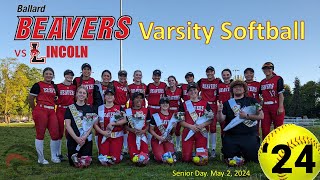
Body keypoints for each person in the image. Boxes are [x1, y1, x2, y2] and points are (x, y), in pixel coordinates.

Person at [217, 80, 264, 164]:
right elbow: (221, 120)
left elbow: (261, 116)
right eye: (235, 87)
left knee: (253, 159)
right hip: (232, 136)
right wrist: (219, 111)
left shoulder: (252, 101)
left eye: (240, 86)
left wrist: (246, 116)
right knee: (230, 159)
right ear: (232, 90)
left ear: (244, 89)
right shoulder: (227, 103)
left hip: (249, 135)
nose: (238, 88)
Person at [28, 67, 60, 164]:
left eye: (51, 74)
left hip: (51, 110)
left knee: (55, 134)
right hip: (41, 109)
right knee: (40, 134)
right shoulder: (38, 85)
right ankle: (41, 158)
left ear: (53, 75)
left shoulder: (54, 86)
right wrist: (35, 110)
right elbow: (30, 98)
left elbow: (55, 98)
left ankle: (54, 156)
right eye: (47, 73)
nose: (48, 75)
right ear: (43, 75)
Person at [73, 63, 103, 153]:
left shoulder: (93, 80)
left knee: (90, 129)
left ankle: (91, 150)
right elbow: (74, 93)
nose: (86, 71)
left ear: (91, 71)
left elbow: (96, 95)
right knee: (79, 128)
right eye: (85, 69)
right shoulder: (77, 80)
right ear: (82, 70)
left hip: (90, 108)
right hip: (79, 107)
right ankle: (75, 150)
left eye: (88, 69)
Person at [179, 83, 213, 163]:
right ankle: (191, 153)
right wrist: (191, 126)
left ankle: (198, 152)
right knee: (186, 159)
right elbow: (180, 121)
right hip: (188, 131)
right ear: (187, 93)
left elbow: (211, 119)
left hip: (201, 131)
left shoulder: (205, 103)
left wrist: (202, 125)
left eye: (194, 89)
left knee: (202, 160)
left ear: (198, 91)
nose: (192, 92)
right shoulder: (183, 104)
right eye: (190, 90)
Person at [94, 89, 127, 164]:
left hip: (116, 137)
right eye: (107, 95)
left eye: (111, 95)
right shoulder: (99, 108)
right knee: (103, 159)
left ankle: (119, 154)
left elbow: (125, 120)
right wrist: (102, 132)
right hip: (103, 136)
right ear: (104, 97)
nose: (109, 96)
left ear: (114, 97)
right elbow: (95, 124)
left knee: (115, 160)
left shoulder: (118, 108)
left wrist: (113, 123)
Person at [65, 86, 95, 167]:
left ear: (86, 96)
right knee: (74, 164)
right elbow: (67, 125)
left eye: (84, 93)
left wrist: (85, 137)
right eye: (80, 92)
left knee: (86, 163)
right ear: (76, 94)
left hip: (85, 140)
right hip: (73, 139)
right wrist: (76, 138)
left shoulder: (89, 108)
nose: (82, 94)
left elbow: (90, 125)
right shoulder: (70, 108)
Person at [197, 66, 220, 158]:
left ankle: (213, 149)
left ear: (214, 72)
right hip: (204, 105)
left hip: (214, 104)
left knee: (213, 128)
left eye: (211, 72)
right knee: (204, 127)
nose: (209, 73)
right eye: (208, 72)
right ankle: (205, 148)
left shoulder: (218, 81)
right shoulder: (201, 81)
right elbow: (194, 87)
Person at [260, 62, 285, 139]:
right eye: (265, 68)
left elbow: (281, 94)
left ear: (272, 69)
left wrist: (280, 106)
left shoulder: (278, 79)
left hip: (276, 105)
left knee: (278, 129)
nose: (267, 70)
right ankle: (266, 148)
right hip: (265, 107)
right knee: (264, 129)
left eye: (269, 68)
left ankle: (278, 147)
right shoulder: (262, 82)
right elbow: (261, 95)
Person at [56, 69, 77, 160]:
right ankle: (58, 153)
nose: (69, 77)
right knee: (59, 131)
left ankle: (70, 152)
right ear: (64, 76)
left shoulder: (74, 87)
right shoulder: (58, 86)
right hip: (61, 108)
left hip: (71, 109)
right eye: (67, 75)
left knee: (70, 131)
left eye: (71, 75)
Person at [125, 92, 150, 162]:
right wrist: (132, 130)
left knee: (145, 157)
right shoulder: (128, 111)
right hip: (132, 135)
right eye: (137, 98)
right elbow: (125, 126)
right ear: (132, 100)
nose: (139, 100)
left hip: (142, 135)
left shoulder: (146, 110)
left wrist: (144, 131)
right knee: (135, 158)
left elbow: (148, 124)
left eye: (141, 98)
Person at [149, 97, 175, 163]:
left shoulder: (172, 116)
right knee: (160, 158)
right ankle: (156, 153)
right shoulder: (155, 116)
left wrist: (174, 127)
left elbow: (172, 132)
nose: (165, 104)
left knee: (171, 156)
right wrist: (159, 137)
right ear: (160, 105)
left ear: (169, 105)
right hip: (157, 139)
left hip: (167, 139)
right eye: (163, 103)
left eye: (166, 103)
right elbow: (151, 130)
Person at [127, 70, 147, 153]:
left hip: (142, 108)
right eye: (136, 75)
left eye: (140, 75)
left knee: (144, 124)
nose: (138, 76)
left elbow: (147, 96)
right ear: (134, 76)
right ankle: (127, 147)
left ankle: (145, 145)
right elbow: (127, 97)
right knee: (131, 124)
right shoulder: (129, 86)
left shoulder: (145, 86)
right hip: (132, 108)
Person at [165, 76, 183, 152]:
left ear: (176, 81)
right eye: (169, 81)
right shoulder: (166, 90)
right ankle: (170, 145)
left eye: (172, 80)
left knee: (178, 129)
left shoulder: (180, 90)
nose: (171, 82)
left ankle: (178, 146)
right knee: (170, 129)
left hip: (178, 111)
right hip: (169, 111)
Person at [244, 68, 261, 136]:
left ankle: (256, 144)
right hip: (245, 108)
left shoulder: (258, 84)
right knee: (244, 127)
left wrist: (260, 104)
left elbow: (265, 95)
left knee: (256, 128)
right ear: (244, 75)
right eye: (247, 73)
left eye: (250, 73)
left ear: (253, 74)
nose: (249, 75)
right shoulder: (242, 84)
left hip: (255, 108)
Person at [217, 69, 233, 136]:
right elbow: (217, 97)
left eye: (227, 75)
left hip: (232, 108)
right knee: (223, 129)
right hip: (222, 108)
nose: (226, 76)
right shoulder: (219, 85)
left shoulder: (233, 85)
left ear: (230, 75)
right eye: (224, 75)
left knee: (232, 128)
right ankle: (224, 145)